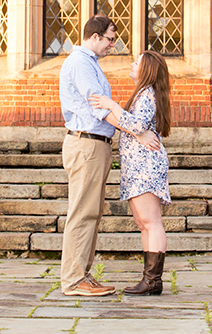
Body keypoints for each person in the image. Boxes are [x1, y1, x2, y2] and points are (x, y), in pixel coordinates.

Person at [90, 50, 172, 296]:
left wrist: (111, 104)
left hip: (146, 166)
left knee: (151, 222)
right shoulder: (143, 94)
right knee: (143, 223)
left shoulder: (147, 94)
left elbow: (136, 125)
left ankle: (153, 280)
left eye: (136, 62)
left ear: (147, 69)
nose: (132, 63)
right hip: (137, 166)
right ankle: (149, 280)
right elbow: (134, 126)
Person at [58, 15, 120, 297]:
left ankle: (82, 273)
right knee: (83, 213)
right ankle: (73, 280)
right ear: (95, 37)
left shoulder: (90, 63)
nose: (112, 45)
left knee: (91, 212)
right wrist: (134, 129)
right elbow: (97, 103)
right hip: (87, 145)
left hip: (95, 144)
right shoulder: (81, 63)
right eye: (110, 39)